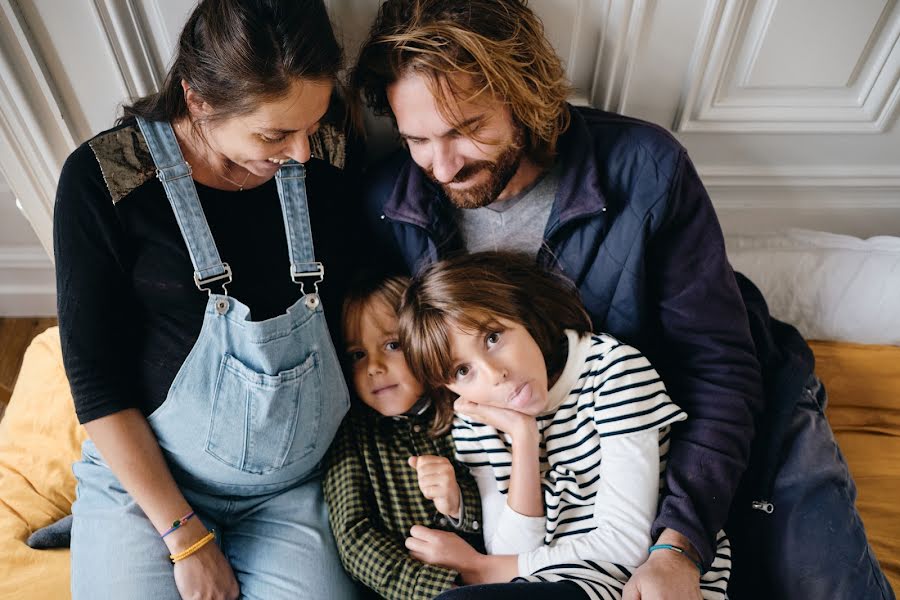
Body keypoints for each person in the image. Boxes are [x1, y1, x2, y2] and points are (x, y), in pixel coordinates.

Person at [351, 1, 895, 599]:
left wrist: (677, 545)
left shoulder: (644, 168)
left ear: (523, 90)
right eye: (417, 140)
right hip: (575, 463)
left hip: (733, 414)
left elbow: (719, 369)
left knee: (822, 584)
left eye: (468, 128)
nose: (444, 166)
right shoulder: (390, 204)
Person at [54, 1, 363, 598]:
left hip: (294, 488)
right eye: (275, 134)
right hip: (150, 481)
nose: (303, 152)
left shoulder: (328, 151)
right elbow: (95, 381)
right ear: (197, 99)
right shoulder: (105, 181)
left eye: (312, 123)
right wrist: (187, 539)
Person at [396, 251, 730, 600]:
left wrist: (486, 569)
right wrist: (523, 438)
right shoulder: (477, 420)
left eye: (493, 337)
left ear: (520, 315)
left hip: (637, 587)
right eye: (463, 371)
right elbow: (510, 547)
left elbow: (626, 546)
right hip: (546, 585)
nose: (495, 375)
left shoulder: (613, 371)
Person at [322, 273, 484, 599]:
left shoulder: (464, 410)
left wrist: (458, 502)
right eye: (358, 354)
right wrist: (429, 588)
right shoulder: (352, 435)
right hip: (403, 589)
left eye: (392, 345)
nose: (374, 367)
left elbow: (506, 499)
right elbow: (354, 536)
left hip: (484, 572)